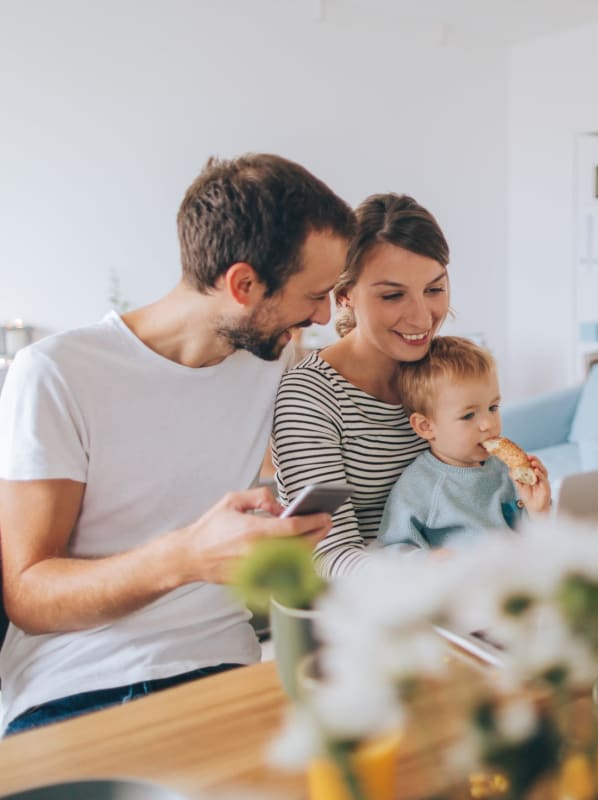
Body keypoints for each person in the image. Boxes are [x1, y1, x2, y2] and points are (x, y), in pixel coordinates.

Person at [0, 153, 356, 734]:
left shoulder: (275, 360)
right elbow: (28, 594)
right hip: (76, 688)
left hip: (225, 671)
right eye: (313, 295)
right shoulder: (58, 372)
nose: (321, 315)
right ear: (243, 284)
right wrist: (186, 557)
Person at [271, 193, 450, 577]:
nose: (422, 318)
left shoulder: (447, 371)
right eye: (393, 295)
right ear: (345, 295)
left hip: (458, 596)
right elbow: (329, 555)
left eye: (434, 290)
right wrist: (431, 572)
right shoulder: (310, 397)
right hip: (365, 611)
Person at [377, 336, 550, 552]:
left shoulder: (505, 469)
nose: (488, 424)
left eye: (493, 408)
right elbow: (391, 551)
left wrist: (538, 510)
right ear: (425, 426)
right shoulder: (418, 487)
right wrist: (431, 562)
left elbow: (533, 539)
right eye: (468, 416)